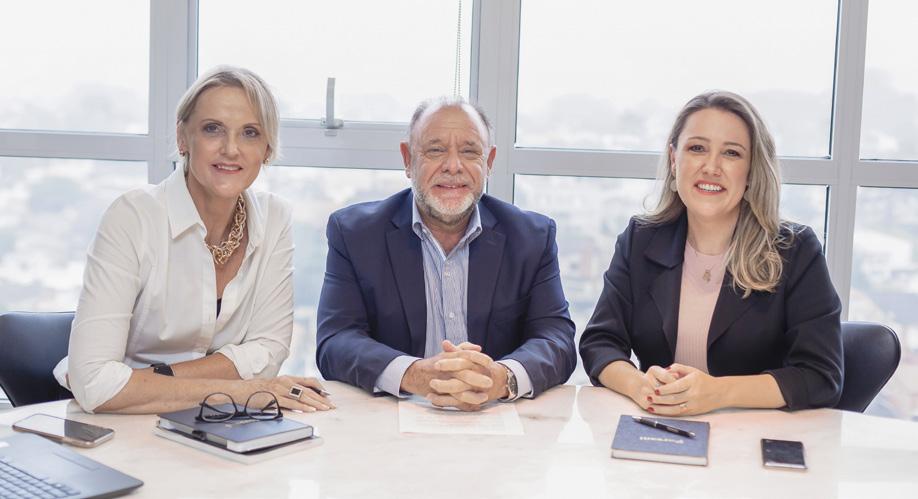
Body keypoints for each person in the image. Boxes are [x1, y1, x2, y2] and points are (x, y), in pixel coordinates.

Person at [54, 66, 333, 414]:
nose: (231, 149)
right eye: (212, 129)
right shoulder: (133, 216)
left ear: (266, 149)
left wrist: (147, 381)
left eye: (250, 133)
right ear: (183, 138)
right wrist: (246, 390)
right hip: (121, 423)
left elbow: (268, 351)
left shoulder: (274, 218)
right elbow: (96, 385)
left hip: (214, 421)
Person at [579, 91, 843, 416]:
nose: (711, 167)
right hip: (659, 425)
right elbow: (600, 342)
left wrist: (718, 393)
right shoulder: (640, 239)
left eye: (731, 153)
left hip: (753, 434)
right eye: (697, 148)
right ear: (674, 159)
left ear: (751, 170)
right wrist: (640, 386)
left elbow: (821, 376)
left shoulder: (796, 251)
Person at [316, 96, 576, 411]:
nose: (453, 166)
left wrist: (499, 378)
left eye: (469, 152)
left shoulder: (532, 236)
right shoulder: (355, 233)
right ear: (408, 159)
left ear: (489, 162)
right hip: (395, 415)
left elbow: (556, 339)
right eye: (436, 150)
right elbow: (336, 340)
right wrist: (414, 375)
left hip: (495, 414)